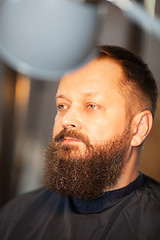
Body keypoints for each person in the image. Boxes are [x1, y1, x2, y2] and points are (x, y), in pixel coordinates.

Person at [0, 45, 160, 239]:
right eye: (62, 105)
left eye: (91, 105)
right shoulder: (16, 217)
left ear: (139, 128)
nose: (66, 120)